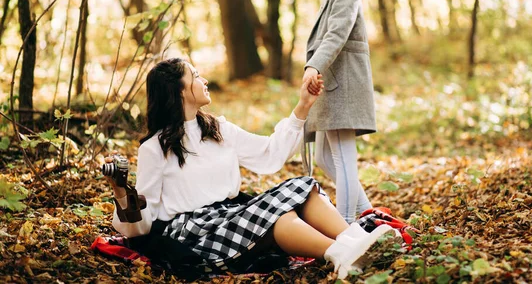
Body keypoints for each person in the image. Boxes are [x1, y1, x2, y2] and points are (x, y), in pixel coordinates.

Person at [106, 58, 395, 279]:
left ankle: (355, 240)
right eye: (194, 76)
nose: (203, 79)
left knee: (300, 187)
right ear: (178, 90)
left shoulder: (216, 128)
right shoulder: (154, 149)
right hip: (195, 234)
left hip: (233, 213)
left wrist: (303, 106)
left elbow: (269, 155)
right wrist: (120, 192)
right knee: (275, 217)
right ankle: (341, 255)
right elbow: (141, 227)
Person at [303, 0, 377, 224]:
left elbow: (337, 34)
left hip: (341, 88)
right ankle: (371, 215)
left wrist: (314, 66)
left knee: (344, 161)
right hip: (331, 88)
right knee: (324, 158)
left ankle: (346, 226)